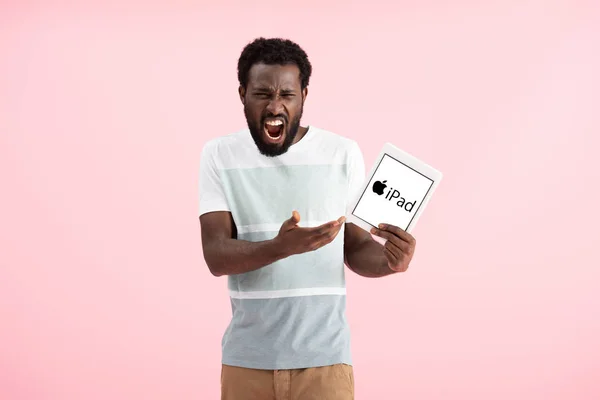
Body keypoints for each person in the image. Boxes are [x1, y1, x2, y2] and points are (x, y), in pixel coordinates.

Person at [198, 37, 417, 400]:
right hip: (246, 361)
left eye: (287, 94)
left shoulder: (342, 153)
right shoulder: (218, 155)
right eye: (262, 94)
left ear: (304, 95)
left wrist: (390, 261)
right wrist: (280, 247)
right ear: (242, 94)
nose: (275, 105)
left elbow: (357, 247)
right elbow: (216, 255)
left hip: (325, 362)